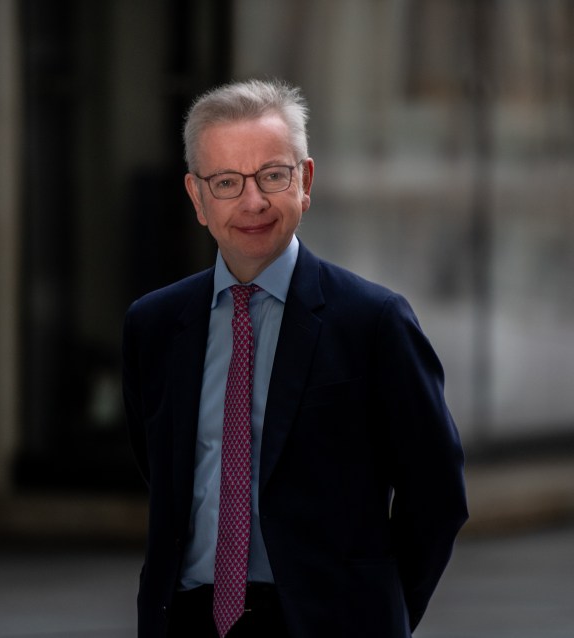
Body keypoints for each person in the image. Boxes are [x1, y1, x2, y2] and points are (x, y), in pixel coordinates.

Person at [122, 79, 468, 638]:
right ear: (197, 198)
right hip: (185, 619)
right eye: (227, 182)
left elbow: (437, 493)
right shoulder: (154, 326)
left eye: (272, 175)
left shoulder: (374, 322)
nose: (252, 201)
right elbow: (162, 469)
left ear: (305, 182)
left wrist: (381, 614)